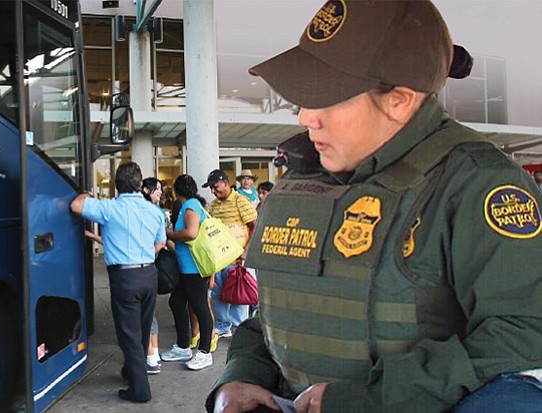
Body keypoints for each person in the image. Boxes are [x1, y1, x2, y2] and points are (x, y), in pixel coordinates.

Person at [207, 1, 542, 413]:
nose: (305, 116)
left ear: (400, 100)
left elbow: (523, 332)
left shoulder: (477, 183)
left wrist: (365, 399)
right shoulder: (308, 177)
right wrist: (240, 377)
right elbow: (280, 310)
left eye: (324, 97)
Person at [70, 162, 166, 403]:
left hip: (125, 277)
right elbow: (160, 244)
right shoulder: (154, 211)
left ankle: (140, 390)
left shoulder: (109, 208)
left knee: (129, 335)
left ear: (117, 184)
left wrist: (87, 193)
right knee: (142, 331)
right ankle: (131, 372)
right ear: (140, 185)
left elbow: (76, 205)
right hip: (149, 274)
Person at [160, 174, 215, 370]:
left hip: (194, 268)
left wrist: (171, 234)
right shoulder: (190, 205)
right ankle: (183, 346)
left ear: (176, 191)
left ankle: (204, 352)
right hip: (186, 267)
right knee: (176, 302)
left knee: (199, 306)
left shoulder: (191, 205)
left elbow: (191, 232)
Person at [203, 169, 258, 338]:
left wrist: (246, 251)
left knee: (238, 295)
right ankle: (222, 325)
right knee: (218, 293)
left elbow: (255, 226)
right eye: (211, 188)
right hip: (219, 260)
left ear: (225, 183)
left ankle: (240, 329)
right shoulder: (213, 205)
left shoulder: (241, 201)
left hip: (237, 261)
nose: (213, 191)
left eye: (215, 187)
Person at [141, 177, 165, 374]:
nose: (160, 193)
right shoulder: (156, 212)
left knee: (143, 314)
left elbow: (161, 242)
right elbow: (161, 243)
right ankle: (154, 355)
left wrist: (145, 255)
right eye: (158, 189)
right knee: (151, 312)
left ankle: (150, 358)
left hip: (143, 268)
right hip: (151, 267)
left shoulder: (146, 212)